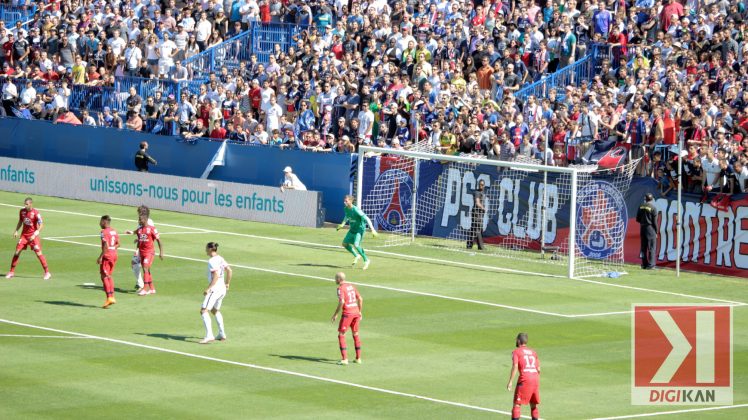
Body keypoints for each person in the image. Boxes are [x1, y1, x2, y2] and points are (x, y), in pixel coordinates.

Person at [6, 197, 51, 280]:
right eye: (24, 204)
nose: (25, 205)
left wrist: (34, 235)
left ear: (30, 204)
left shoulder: (36, 213)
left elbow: (41, 225)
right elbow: (20, 221)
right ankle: (11, 272)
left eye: (26, 204)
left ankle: (47, 272)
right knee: (17, 252)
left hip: (33, 237)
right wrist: (16, 231)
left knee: (39, 254)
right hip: (24, 236)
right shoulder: (22, 211)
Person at [199, 242, 232, 344]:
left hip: (215, 289)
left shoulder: (212, 261)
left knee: (204, 310)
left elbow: (216, 276)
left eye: (206, 248)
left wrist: (209, 288)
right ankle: (222, 334)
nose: (205, 250)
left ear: (210, 249)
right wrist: (227, 284)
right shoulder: (220, 258)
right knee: (214, 310)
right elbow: (229, 270)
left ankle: (209, 335)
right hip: (222, 289)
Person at [337, 195, 378, 270]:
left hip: (360, 230)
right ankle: (356, 255)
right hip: (352, 229)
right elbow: (347, 216)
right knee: (344, 244)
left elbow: (367, 219)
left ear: (350, 201)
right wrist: (342, 224)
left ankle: (366, 260)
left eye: (346, 201)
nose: (344, 202)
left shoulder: (356, 210)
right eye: (344, 201)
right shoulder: (345, 209)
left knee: (356, 244)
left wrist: (372, 229)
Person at [330, 272, 363, 365]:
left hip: (348, 314)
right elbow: (360, 299)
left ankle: (344, 359)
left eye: (335, 278)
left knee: (341, 334)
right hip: (356, 312)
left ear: (339, 279)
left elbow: (342, 302)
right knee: (355, 334)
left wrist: (335, 314)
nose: (335, 280)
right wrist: (360, 311)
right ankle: (358, 358)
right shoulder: (351, 286)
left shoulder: (340, 289)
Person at [506, 332, 541, 420]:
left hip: (525, 379)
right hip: (535, 378)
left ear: (518, 341)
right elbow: (539, 369)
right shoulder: (533, 352)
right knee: (533, 405)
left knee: (517, 404)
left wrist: (510, 382)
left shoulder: (516, 352)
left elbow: (515, 366)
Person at [126, 205, 154, 292]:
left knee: (140, 265)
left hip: (146, 248)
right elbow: (140, 233)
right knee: (137, 264)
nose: (138, 213)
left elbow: (148, 234)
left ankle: (143, 286)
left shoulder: (148, 221)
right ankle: (147, 286)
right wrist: (135, 236)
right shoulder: (141, 220)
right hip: (141, 246)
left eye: (139, 212)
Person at [133, 213, 163, 295]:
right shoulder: (140, 230)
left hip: (149, 252)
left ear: (145, 220)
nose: (139, 221)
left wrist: (161, 252)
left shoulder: (152, 229)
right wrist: (136, 240)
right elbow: (140, 238)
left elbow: (159, 241)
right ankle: (152, 289)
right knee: (146, 270)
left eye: (140, 219)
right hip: (142, 252)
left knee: (145, 268)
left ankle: (145, 289)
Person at [97, 215, 119, 308]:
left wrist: (100, 257)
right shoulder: (114, 231)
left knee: (104, 276)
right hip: (114, 254)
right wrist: (112, 248)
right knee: (108, 276)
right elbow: (118, 244)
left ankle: (109, 297)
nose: (99, 223)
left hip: (107, 255)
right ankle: (111, 297)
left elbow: (105, 245)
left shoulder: (103, 232)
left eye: (101, 221)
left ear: (104, 222)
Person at [636, 192, 657, 269]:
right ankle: (651, 265)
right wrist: (656, 231)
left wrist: (643, 222)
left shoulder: (641, 206)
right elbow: (655, 222)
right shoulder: (653, 208)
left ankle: (644, 264)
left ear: (645, 199)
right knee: (651, 247)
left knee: (643, 247)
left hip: (642, 228)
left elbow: (637, 219)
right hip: (650, 228)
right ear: (652, 199)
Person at [467, 179, 486, 250]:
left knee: (474, 230)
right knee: (477, 229)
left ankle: (469, 246)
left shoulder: (483, 193)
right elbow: (477, 203)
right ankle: (481, 247)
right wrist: (483, 208)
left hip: (480, 213)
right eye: (480, 184)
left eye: (483, 185)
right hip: (476, 213)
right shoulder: (477, 192)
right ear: (478, 185)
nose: (481, 186)